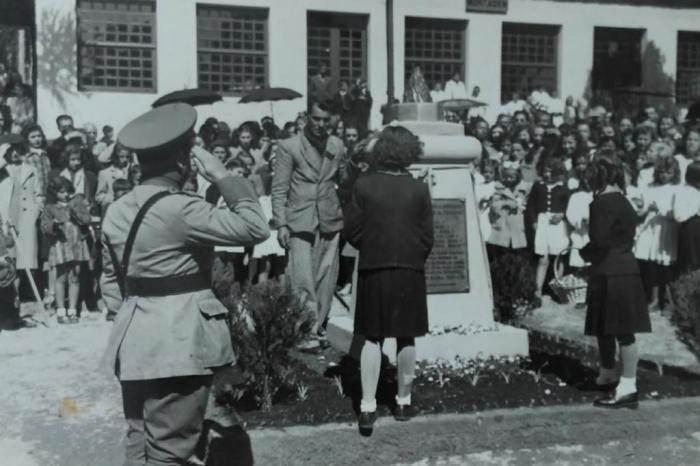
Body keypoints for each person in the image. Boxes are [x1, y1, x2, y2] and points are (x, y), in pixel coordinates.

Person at [100, 103, 269, 465]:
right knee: (171, 452)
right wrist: (222, 174)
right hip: (178, 345)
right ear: (183, 159)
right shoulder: (181, 208)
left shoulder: (116, 210)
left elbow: (112, 283)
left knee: (139, 441)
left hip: (133, 340)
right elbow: (256, 228)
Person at [343, 126, 433, 431]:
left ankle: (367, 407)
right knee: (406, 336)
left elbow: (352, 231)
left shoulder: (364, 185)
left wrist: (374, 249)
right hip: (410, 270)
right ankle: (403, 403)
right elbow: (427, 237)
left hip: (374, 267)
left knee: (371, 336)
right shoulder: (419, 188)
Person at [580, 154, 651, 409]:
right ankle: (608, 372)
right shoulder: (624, 200)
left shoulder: (600, 203)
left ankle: (628, 386)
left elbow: (600, 240)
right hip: (624, 269)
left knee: (620, 331)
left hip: (610, 272)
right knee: (608, 327)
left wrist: (582, 255)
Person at [271, 100, 345, 344]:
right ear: (306, 117)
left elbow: (344, 180)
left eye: (326, 120)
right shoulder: (289, 146)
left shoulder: (337, 145)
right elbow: (279, 189)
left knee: (326, 277)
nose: (321, 125)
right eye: (316, 119)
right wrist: (281, 224)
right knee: (302, 278)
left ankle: (319, 326)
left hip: (329, 216)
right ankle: (305, 330)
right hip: (299, 219)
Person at [40, 175, 92, 324]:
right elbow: (44, 226)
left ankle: (73, 310)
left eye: (68, 191)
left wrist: (77, 213)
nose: (66, 194)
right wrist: (54, 226)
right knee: (61, 277)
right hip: (60, 246)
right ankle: (61, 310)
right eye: (62, 192)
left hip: (77, 244)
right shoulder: (50, 208)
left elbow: (86, 219)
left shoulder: (77, 203)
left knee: (75, 277)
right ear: (54, 192)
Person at [633, 156, 680, 310]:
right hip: (652, 228)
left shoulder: (676, 189)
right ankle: (652, 299)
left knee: (664, 266)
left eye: (668, 172)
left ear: (675, 173)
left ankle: (666, 300)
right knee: (651, 265)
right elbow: (642, 211)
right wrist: (644, 208)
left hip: (666, 230)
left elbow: (677, 214)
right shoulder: (650, 187)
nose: (664, 175)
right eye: (661, 172)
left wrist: (661, 210)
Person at [525, 157, 571, 305]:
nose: (547, 175)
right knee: (542, 258)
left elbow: (570, 206)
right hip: (543, 223)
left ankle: (559, 290)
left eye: (551, 172)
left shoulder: (563, 188)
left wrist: (562, 215)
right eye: (545, 171)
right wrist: (533, 221)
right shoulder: (538, 186)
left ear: (558, 173)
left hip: (559, 225)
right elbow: (531, 205)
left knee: (558, 257)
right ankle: (537, 292)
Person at [673, 162, 700, 273]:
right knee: (691, 263)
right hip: (692, 230)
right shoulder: (683, 192)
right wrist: (696, 210)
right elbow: (679, 216)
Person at [95, 143, 133, 214]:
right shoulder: (105, 173)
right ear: (115, 157)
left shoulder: (132, 172)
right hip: (113, 210)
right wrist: (110, 199)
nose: (125, 160)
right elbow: (98, 196)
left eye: (127, 157)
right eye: (121, 157)